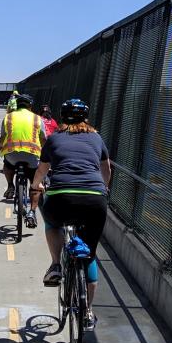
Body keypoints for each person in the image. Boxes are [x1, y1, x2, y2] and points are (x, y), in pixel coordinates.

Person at [30, 98, 111, 329]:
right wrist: (103, 190)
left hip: (61, 197)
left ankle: (56, 264)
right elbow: (106, 169)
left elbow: (42, 170)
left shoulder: (54, 138)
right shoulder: (96, 138)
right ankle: (87, 312)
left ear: (62, 118)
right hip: (94, 200)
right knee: (88, 256)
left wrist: (36, 187)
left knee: (52, 223)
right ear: (85, 117)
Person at [0, 94, 47, 227]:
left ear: (17, 105)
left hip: (12, 155)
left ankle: (10, 185)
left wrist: (1, 147)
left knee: (7, 164)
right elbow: (43, 138)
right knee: (35, 184)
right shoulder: (37, 118)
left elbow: (3, 137)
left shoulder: (8, 117)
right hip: (32, 155)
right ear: (30, 106)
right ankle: (32, 212)